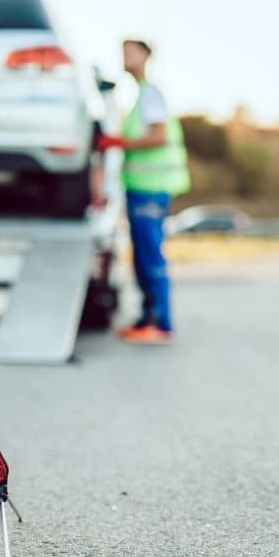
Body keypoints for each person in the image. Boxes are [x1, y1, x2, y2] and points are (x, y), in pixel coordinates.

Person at [98, 39, 190, 343]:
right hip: (141, 188)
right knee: (141, 254)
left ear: (146, 56)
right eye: (122, 51)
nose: (125, 57)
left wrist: (118, 142)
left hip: (151, 189)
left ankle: (160, 323)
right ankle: (147, 318)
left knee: (150, 255)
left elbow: (158, 137)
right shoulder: (140, 95)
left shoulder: (150, 94)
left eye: (131, 52)